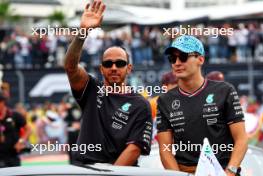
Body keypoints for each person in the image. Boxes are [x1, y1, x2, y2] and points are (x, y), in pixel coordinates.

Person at [64, 0, 152, 166]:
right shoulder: (91, 89)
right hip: (84, 168)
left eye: (119, 64)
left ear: (129, 68)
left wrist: (110, 174)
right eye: (108, 64)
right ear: (101, 69)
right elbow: (70, 66)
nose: (113, 67)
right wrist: (83, 32)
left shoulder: (140, 104)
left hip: (118, 171)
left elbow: (134, 149)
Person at [157, 35, 248, 176]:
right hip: (185, 172)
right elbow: (165, 149)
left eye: (183, 57)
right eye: (172, 59)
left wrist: (229, 172)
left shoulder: (225, 90)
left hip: (223, 170)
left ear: (200, 59)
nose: (177, 63)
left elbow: (241, 139)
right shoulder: (164, 100)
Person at [0, 92, 30, 168]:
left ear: (2, 102)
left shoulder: (14, 115)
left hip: (12, 156)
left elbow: (28, 129)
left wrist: (21, 141)